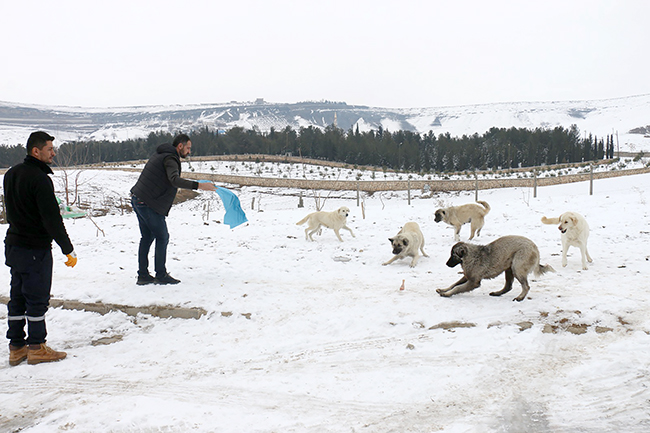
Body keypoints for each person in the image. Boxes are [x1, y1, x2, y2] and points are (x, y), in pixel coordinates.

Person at [4, 131, 77, 366]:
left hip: (14, 245)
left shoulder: (12, 174)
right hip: (35, 248)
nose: (53, 154)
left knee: (17, 296)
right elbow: (51, 219)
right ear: (36, 151)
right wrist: (68, 248)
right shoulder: (39, 178)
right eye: (50, 150)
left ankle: (17, 347)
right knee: (36, 298)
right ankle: (36, 347)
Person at [130, 133, 215, 285]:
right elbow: (174, 180)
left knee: (147, 237)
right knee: (162, 237)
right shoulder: (170, 159)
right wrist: (200, 186)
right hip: (148, 203)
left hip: (139, 199)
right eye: (188, 148)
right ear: (180, 146)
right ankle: (161, 275)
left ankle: (143, 275)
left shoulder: (162, 154)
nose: (189, 152)